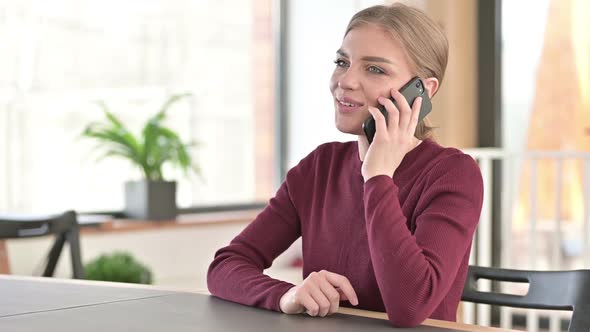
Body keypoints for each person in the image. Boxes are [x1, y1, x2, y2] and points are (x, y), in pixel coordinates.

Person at [207, 3, 483, 328]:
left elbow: (410, 307)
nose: (345, 81)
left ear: (423, 91)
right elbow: (226, 266)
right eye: (342, 62)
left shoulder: (453, 174)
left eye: (375, 69)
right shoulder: (319, 168)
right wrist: (286, 295)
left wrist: (378, 176)